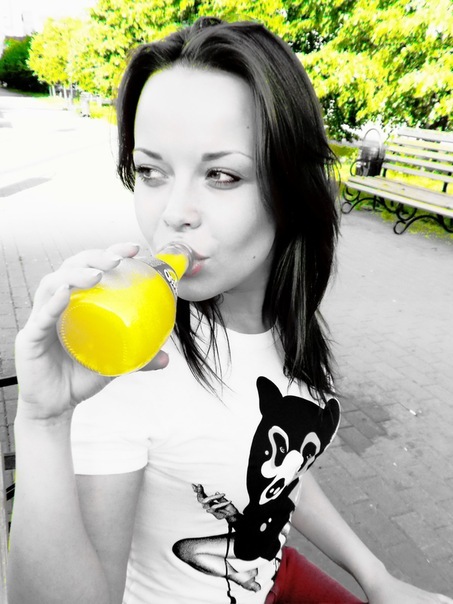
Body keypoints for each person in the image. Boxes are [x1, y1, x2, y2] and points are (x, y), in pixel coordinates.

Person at [7, 17, 452, 604]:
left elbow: (272, 472)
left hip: (269, 573)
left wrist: (375, 576)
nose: (175, 213)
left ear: (291, 189)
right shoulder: (130, 360)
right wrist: (43, 422)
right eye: (151, 171)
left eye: (221, 174)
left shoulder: (283, 316)